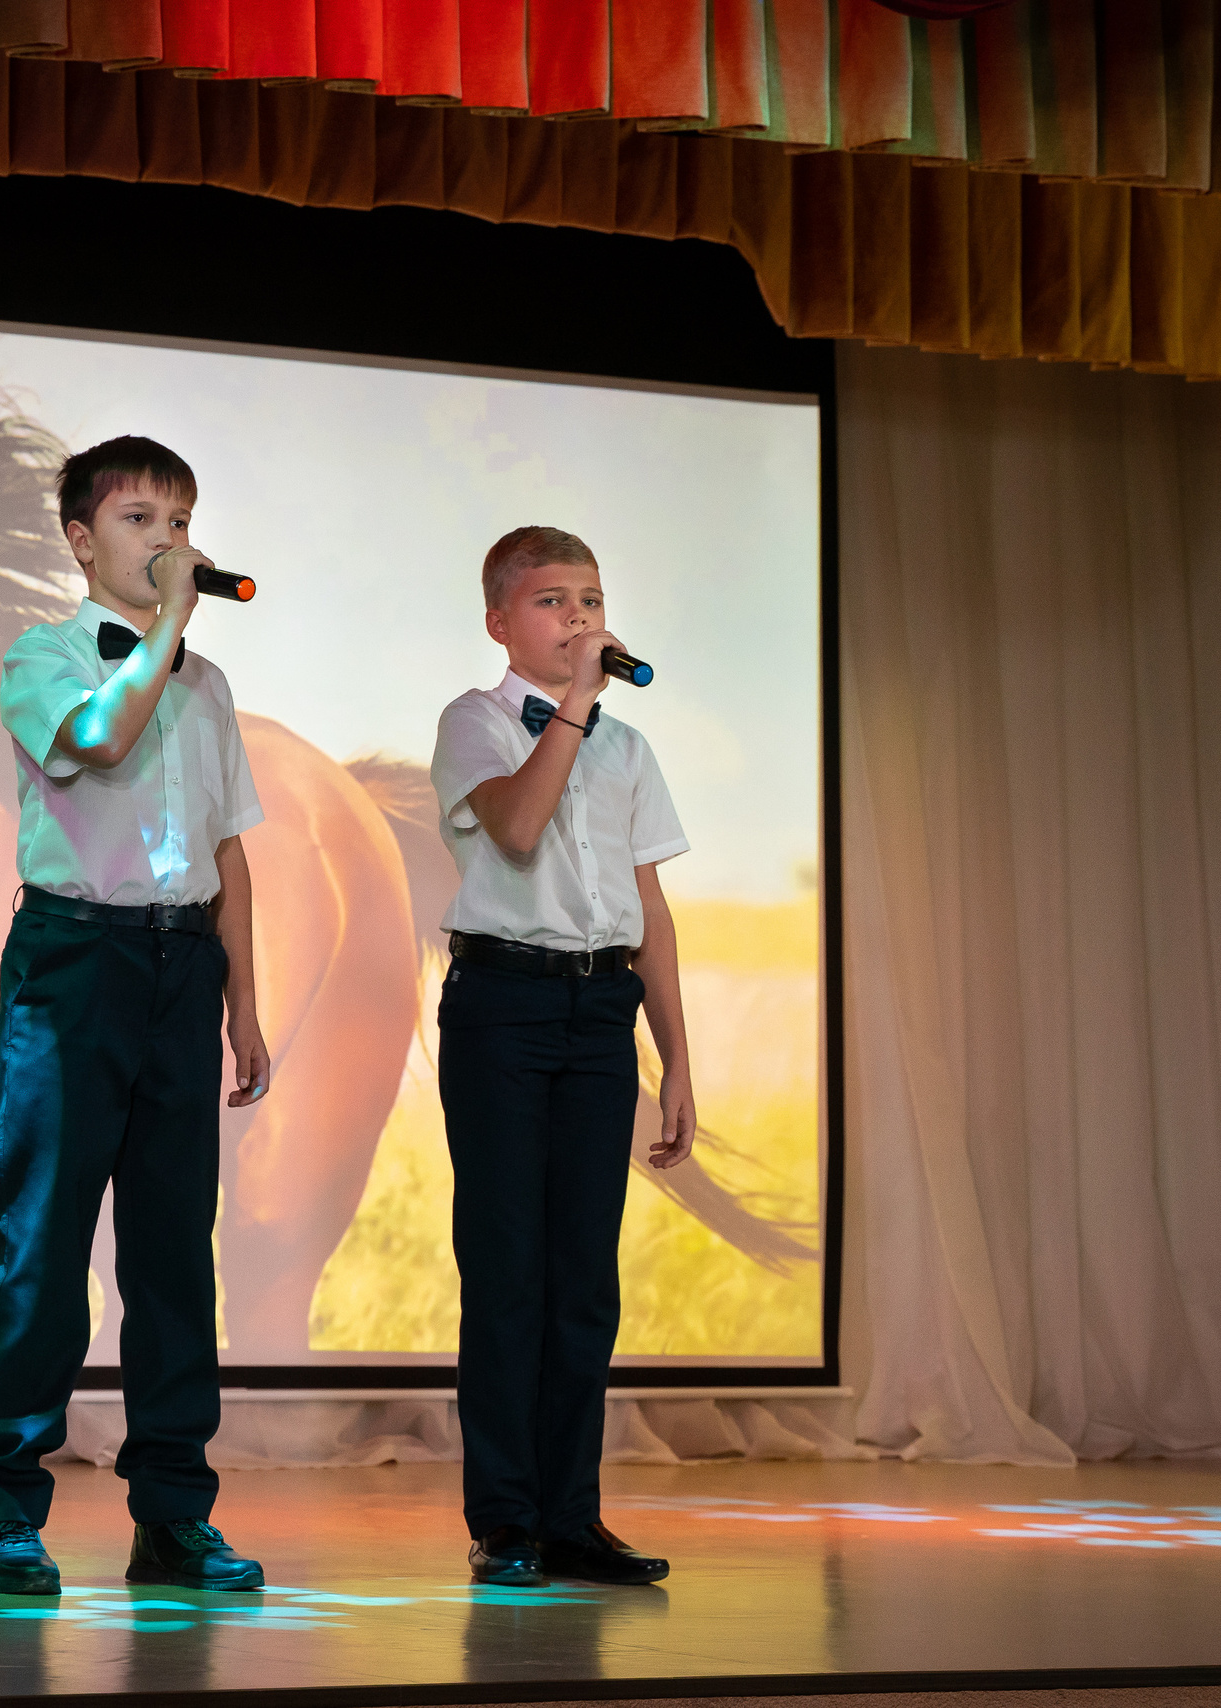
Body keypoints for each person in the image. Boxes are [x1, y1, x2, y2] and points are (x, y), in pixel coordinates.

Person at [0, 435, 272, 1597]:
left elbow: (228, 851)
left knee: (173, 1255)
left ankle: (174, 1517)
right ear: (83, 540)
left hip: (182, 969)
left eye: (181, 520)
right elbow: (99, 739)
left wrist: (243, 1000)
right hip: (73, 961)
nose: (168, 540)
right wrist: (165, 634)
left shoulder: (207, 685)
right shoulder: (41, 657)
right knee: (41, 1248)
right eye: (141, 519)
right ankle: (4, 1513)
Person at [429, 525, 695, 1588]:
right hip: (502, 1006)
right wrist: (576, 708)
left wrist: (673, 1057)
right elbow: (523, 828)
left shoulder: (627, 749)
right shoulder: (472, 724)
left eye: (589, 598)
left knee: (584, 1277)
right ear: (500, 621)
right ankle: (504, 1520)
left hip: (599, 1017)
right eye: (551, 601)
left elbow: (650, 910)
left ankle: (571, 1515)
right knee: (508, 1271)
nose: (578, 618)